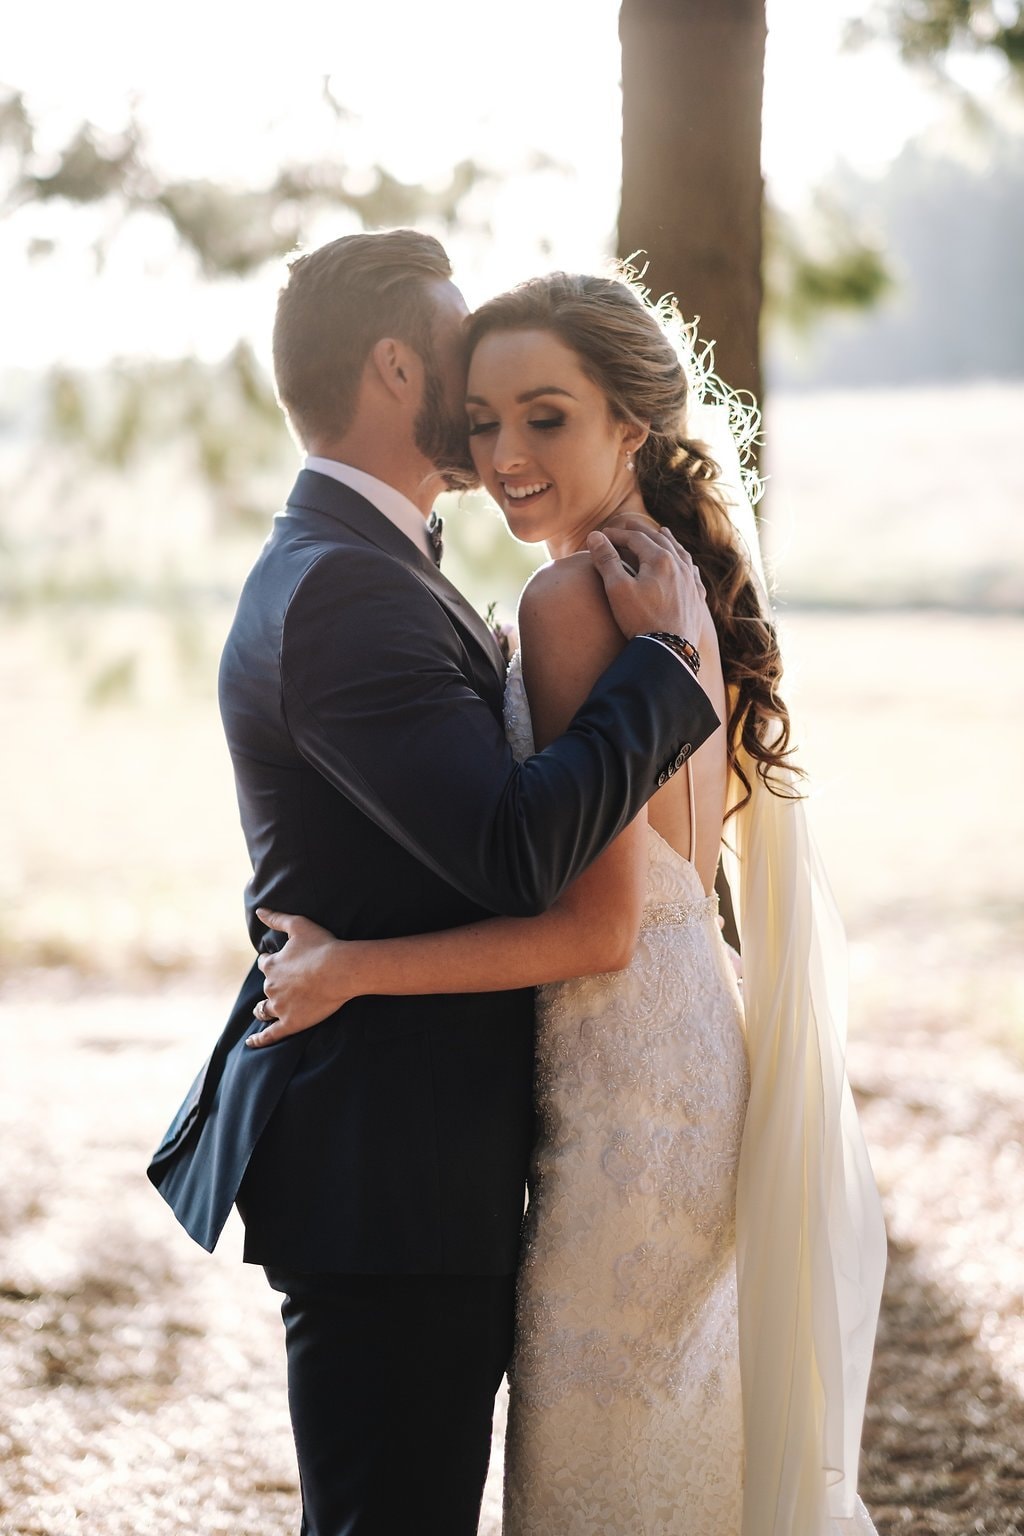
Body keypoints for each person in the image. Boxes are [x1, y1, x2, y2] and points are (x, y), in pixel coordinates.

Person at [247, 271, 888, 1534]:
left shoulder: (572, 599)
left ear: (630, 427)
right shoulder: (671, 583)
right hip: (684, 1065)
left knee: (595, 1482)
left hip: (623, 1108)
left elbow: (594, 927)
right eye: (484, 420)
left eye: (545, 417)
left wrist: (354, 967)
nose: (501, 454)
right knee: (664, 1460)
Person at [146, 232, 722, 1536]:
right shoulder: (351, 588)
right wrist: (665, 680)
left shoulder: (375, 564)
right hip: (388, 1165)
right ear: (396, 363)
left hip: (416, 1157)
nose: (480, 400)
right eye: (461, 359)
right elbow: (515, 852)